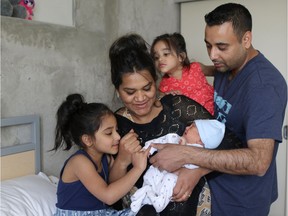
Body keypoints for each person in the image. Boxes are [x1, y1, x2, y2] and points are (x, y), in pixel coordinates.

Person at [149, 3, 287, 216]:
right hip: (216, 183)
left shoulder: (263, 87)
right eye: (208, 45)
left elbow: (259, 162)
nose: (213, 54)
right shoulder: (225, 65)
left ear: (246, 39)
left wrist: (186, 154)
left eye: (221, 47)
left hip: (242, 201)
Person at [108, 33, 241, 216]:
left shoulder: (177, 106)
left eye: (147, 88)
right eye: (130, 92)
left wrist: (196, 171)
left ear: (155, 82)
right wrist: (122, 161)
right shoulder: (115, 124)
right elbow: (111, 196)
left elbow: (232, 143)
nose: (140, 98)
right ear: (118, 91)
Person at [51, 93, 150, 216]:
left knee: (149, 210)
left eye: (116, 130)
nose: (118, 137)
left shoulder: (106, 158)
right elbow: (108, 197)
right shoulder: (79, 162)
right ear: (87, 140)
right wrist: (138, 168)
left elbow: (114, 185)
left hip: (103, 213)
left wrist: (123, 159)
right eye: (109, 133)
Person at [130, 120, 225, 214]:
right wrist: (147, 149)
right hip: (155, 174)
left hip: (170, 185)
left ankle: (158, 202)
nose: (187, 127)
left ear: (201, 140)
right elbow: (157, 142)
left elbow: (191, 166)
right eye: (190, 125)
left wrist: (183, 150)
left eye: (193, 127)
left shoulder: (199, 155)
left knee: (170, 178)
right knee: (150, 175)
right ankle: (145, 196)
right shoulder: (174, 137)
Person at [150, 33, 214, 115]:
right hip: (192, 123)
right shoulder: (163, 85)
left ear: (181, 57)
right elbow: (160, 104)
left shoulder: (196, 67)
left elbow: (216, 71)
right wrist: (167, 97)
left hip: (215, 115)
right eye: (156, 57)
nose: (160, 59)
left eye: (166, 54)